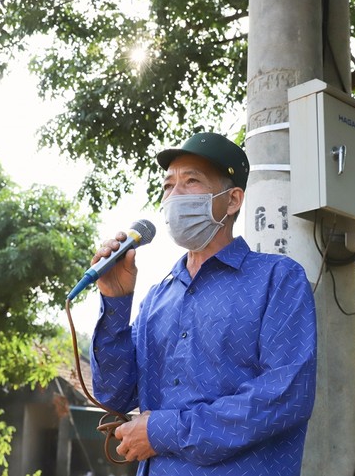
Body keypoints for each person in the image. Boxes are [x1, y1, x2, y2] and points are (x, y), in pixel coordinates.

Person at [89, 132, 317, 476]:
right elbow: (114, 395)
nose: (174, 196)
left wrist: (163, 431)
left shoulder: (278, 279)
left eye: (191, 181)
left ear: (232, 200)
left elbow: (285, 396)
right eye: (168, 185)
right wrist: (115, 300)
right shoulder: (156, 298)